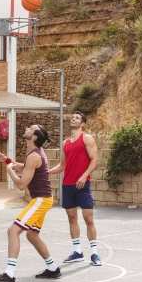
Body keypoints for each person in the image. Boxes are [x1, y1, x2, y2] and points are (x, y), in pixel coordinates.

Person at [0, 125, 61, 282]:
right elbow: (24, 167)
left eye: (31, 128)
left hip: (41, 200)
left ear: (34, 137)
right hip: (43, 199)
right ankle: (52, 268)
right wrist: (7, 160)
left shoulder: (34, 156)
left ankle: (9, 274)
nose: (27, 128)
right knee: (32, 235)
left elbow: (21, 185)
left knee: (13, 231)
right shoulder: (34, 154)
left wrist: (8, 170)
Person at [50, 111, 102, 266]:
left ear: (83, 123)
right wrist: (47, 172)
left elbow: (94, 160)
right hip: (67, 185)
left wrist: (84, 176)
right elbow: (62, 166)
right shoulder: (65, 142)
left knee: (88, 219)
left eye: (77, 118)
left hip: (82, 185)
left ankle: (94, 253)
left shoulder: (87, 138)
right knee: (72, 218)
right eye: (72, 117)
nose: (73, 119)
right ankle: (77, 251)